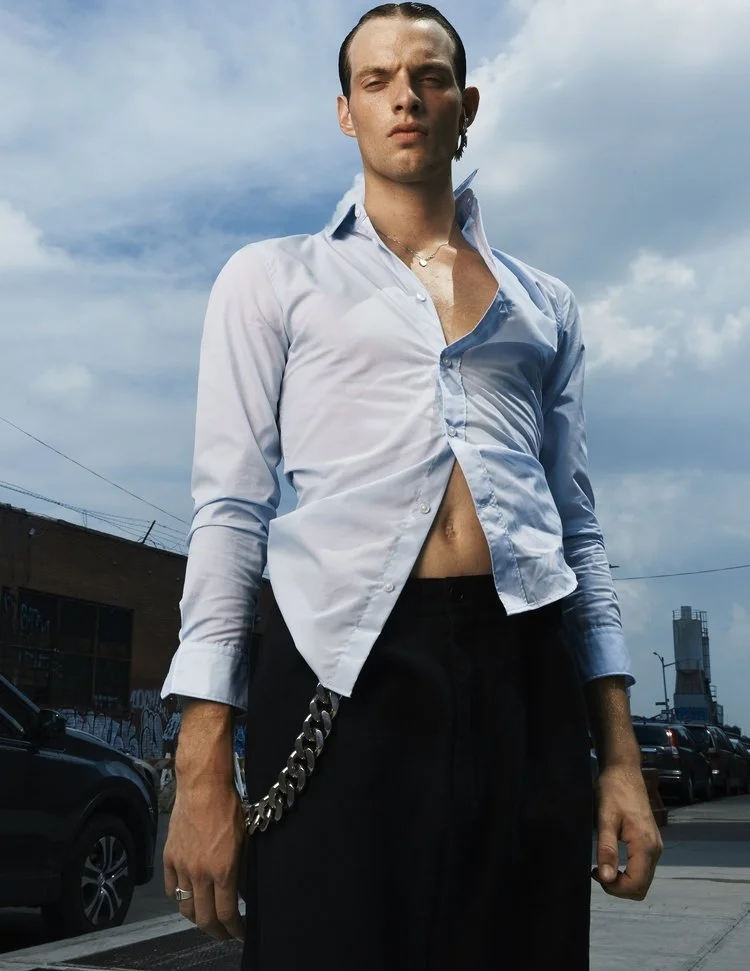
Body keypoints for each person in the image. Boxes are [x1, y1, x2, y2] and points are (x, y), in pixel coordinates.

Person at [161, 4, 663, 968]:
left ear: (464, 105)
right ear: (345, 111)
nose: (405, 97)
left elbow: (579, 531)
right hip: (339, 669)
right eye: (377, 79)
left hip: (523, 668)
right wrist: (201, 764)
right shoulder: (273, 279)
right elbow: (230, 510)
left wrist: (622, 761)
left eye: (428, 77)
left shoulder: (542, 302)